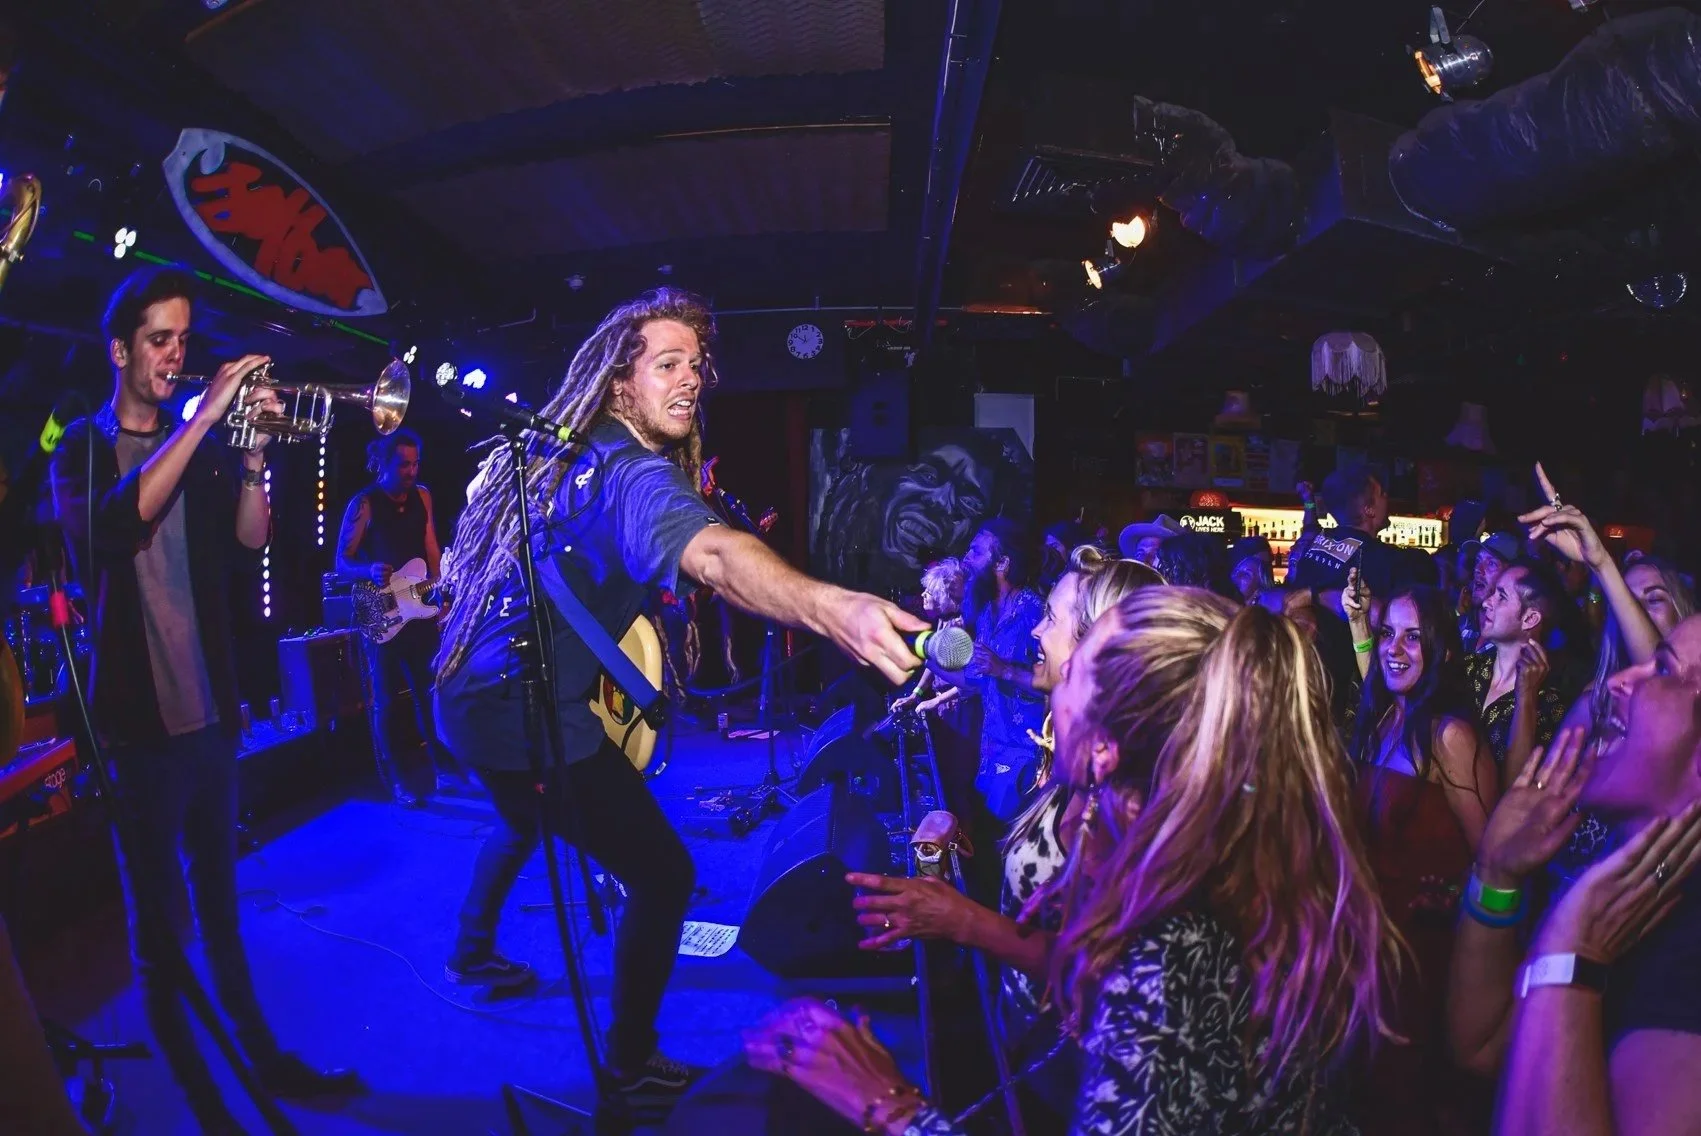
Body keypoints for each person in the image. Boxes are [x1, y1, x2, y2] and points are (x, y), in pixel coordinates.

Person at [432, 289, 924, 1112]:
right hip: (521, 714)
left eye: (695, 364)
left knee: (519, 819)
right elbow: (716, 555)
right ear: (619, 384)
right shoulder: (630, 472)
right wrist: (829, 605)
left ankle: (472, 948)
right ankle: (629, 1065)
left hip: (464, 698)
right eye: (667, 364)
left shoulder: (561, 453)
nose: (691, 378)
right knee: (663, 875)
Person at [747, 591, 1400, 1135]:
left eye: (1076, 671)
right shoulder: (1214, 859)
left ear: (1105, 750)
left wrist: (885, 1103)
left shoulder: (1173, 954)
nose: (1054, 688)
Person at [50, 268, 356, 1133]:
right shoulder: (79, 450)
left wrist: (252, 458)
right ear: (120, 350)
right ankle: (207, 1111)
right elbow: (120, 525)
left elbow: (251, 540)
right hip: (138, 732)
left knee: (223, 916)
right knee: (160, 941)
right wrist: (206, 417)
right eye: (159, 340)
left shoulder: (206, 449)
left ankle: (267, 1065)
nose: (175, 355)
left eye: (183, 340)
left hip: (212, 718)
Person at [846, 548, 1161, 1130]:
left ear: (1096, 647)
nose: (1039, 629)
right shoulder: (1071, 747)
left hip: (1068, 1072)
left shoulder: (1126, 788)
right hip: (1022, 1031)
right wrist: (959, 849)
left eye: (1054, 619)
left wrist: (960, 920)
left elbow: (1094, 966)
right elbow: (1042, 896)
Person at [1447, 615, 1701, 1135]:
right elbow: (1481, 1048)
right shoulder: (1616, 879)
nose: (1618, 681)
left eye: (1662, 669)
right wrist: (1497, 877)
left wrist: (1571, 955)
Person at [1342, 578, 1498, 1134]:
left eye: (1413, 637)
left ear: (1444, 651)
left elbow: (1496, 861)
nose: (1395, 648)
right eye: (1388, 633)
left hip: (1422, 959)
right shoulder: (1384, 719)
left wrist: (1454, 897)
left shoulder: (1450, 737)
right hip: (1369, 950)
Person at [336, 427, 466, 806]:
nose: (411, 471)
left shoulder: (422, 496)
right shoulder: (364, 504)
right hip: (382, 615)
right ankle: (398, 781)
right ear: (384, 463)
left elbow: (431, 548)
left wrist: (442, 590)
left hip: (419, 608)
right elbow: (341, 563)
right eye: (403, 465)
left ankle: (443, 768)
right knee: (388, 702)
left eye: (415, 464)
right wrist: (368, 570)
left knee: (431, 692)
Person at [926, 519, 1046, 821]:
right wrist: (925, 658)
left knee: (1009, 839)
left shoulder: (1035, 612)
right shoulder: (985, 613)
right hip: (992, 749)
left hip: (1025, 755)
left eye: (976, 551)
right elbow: (974, 681)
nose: (966, 559)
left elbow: (1058, 684)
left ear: (1003, 563)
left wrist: (1005, 670)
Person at [1465, 556, 1576, 783]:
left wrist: (1526, 697)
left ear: (1530, 618)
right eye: (1492, 593)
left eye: (1501, 597)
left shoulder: (1551, 706)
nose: (1486, 603)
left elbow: (1517, 787)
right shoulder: (1467, 668)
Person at [1289, 462, 1435, 596]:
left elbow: (1310, 528)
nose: (1387, 497)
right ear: (1369, 509)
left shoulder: (1314, 545)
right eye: (1381, 494)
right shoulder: (1390, 562)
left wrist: (1308, 500)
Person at [890, 557, 967, 717]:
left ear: (943, 596)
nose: (923, 594)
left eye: (929, 592)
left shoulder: (958, 628)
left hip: (961, 709)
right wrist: (915, 695)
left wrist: (936, 701)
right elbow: (933, 664)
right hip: (946, 706)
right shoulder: (942, 622)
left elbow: (971, 682)